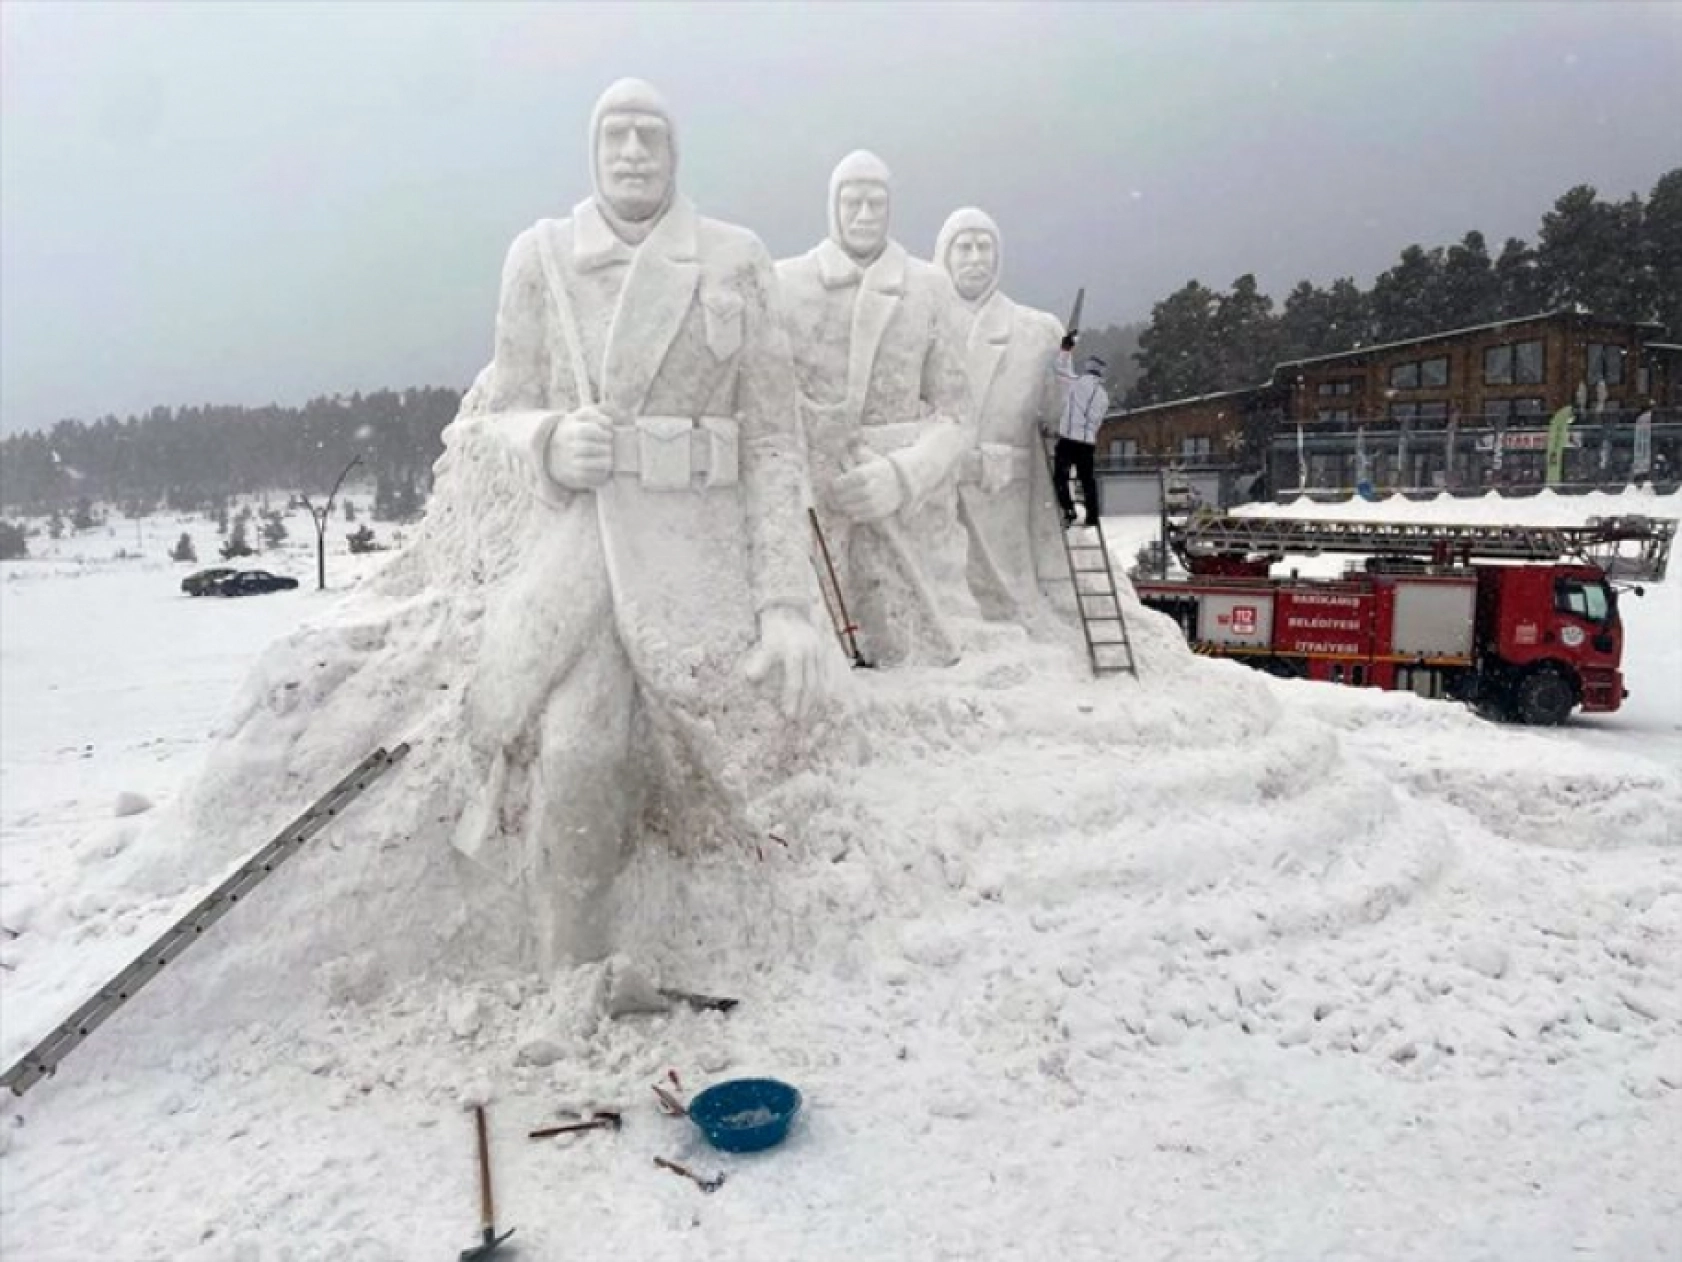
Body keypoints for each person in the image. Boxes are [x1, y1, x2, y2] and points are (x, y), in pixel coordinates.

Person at [446, 78, 829, 966]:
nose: (630, 153)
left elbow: (775, 439)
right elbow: (488, 423)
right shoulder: (540, 258)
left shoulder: (735, 259)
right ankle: (573, 971)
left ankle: (766, 954)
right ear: (591, 150)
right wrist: (545, 440)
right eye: (614, 136)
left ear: (675, 153)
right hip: (590, 554)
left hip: (701, 556)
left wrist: (784, 602)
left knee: (765, 773)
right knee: (580, 755)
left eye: (648, 137)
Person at [777, 151, 972, 665]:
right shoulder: (785, 285)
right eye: (852, 201)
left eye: (876, 202)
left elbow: (958, 415)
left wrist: (903, 475)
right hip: (817, 504)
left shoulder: (929, 287)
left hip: (903, 513)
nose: (864, 215)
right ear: (831, 206)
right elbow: (764, 406)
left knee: (912, 655)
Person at [933, 206, 1066, 622]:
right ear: (944, 255)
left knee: (1012, 606)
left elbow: (1056, 419)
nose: (975, 257)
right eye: (964, 247)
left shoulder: (1038, 330)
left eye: (984, 247)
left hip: (1006, 494)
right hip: (937, 494)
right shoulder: (922, 322)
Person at [1050, 336, 1108, 529]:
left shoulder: (1077, 383)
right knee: (1087, 480)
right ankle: (1093, 515)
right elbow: (1098, 421)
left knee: (1061, 476)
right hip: (1088, 444)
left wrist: (1066, 349)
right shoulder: (1103, 396)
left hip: (1069, 441)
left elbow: (1059, 369)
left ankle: (1068, 509)